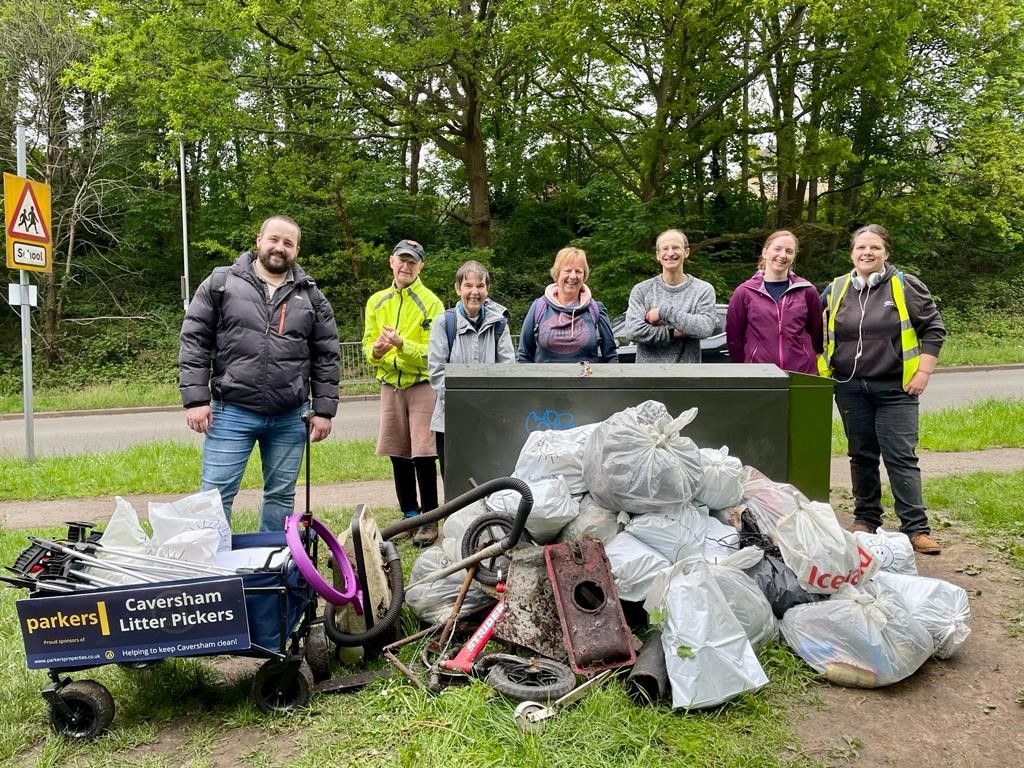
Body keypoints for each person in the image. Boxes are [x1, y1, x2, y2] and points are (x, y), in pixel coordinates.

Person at [179, 215, 340, 533]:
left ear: (296, 250)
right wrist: (195, 399)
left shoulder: (311, 296)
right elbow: (194, 341)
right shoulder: (221, 283)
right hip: (230, 412)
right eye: (274, 239)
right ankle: (215, 570)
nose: (280, 248)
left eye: (288, 243)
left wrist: (323, 410)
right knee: (215, 496)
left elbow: (326, 355)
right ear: (259, 240)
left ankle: (275, 567)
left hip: (290, 416)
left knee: (281, 496)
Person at [819, 224, 946, 554]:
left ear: (886, 252)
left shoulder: (905, 286)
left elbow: (933, 329)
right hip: (848, 388)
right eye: (861, 247)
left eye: (874, 247)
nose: (867, 253)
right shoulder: (835, 289)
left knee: (900, 457)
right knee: (861, 456)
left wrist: (924, 372)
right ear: (852, 253)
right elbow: (810, 327)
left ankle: (916, 529)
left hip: (896, 388)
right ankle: (866, 519)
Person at [363, 239, 445, 547]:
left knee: (424, 454)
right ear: (391, 262)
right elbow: (367, 346)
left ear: (421, 267)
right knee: (398, 452)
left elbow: (432, 354)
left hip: (422, 384)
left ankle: (429, 518)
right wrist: (376, 349)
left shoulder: (432, 303)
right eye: (402, 260)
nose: (406, 266)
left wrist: (401, 345)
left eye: (413, 262)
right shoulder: (377, 302)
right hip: (390, 384)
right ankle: (409, 515)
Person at [427, 260, 515, 478]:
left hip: (490, 419)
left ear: (487, 289)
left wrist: (491, 406)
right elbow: (437, 372)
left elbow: (507, 369)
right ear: (458, 289)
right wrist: (462, 406)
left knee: (490, 475)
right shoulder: (444, 324)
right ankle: (455, 514)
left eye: (480, 286)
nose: (474, 292)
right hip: (451, 418)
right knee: (454, 476)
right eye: (468, 285)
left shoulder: (499, 324)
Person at [725, 230, 822, 373]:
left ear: (794, 257)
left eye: (789, 251)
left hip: (802, 373)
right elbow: (734, 340)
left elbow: (816, 334)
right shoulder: (744, 292)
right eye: (777, 249)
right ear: (765, 252)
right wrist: (746, 370)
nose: (782, 255)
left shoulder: (807, 291)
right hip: (759, 375)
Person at [623, 229, 717, 362]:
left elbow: (704, 328)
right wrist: (674, 332)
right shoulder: (642, 290)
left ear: (686, 252)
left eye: (676, 248)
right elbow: (633, 331)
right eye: (665, 248)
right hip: (648, 377)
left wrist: (664, 313)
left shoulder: (703, 290)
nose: (670, 253)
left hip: (686, 377)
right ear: (658, 255)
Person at [516, 246, 618, 363]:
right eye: (568, 270)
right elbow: (523, 355)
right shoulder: (539, 307)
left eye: (578, 271)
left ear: (584, 276)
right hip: (545, 381)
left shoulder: (596, 309)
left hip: (586, 380)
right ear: (557, 274)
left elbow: (611, 357)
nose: (573, 276)